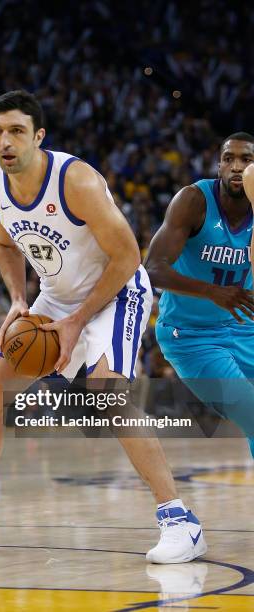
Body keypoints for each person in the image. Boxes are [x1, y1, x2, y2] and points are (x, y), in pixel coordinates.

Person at [0, 90, 206, 563]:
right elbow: (4, 245)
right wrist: (16, 300)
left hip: (116, 290)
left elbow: (129, 256)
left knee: (107, 395)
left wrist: (75, 321)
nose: (4, 142)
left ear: (39, 136)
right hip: (55, 295)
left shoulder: (76, 181)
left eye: (16, 131)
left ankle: (181, 523)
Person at [145, 132, 254, 457]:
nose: (235, 167)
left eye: (245, 160)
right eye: (228, 158)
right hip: (191, 335)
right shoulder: (193, 201)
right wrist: (212, 292)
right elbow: (152, 268)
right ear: (218, 164)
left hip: (245, 329)